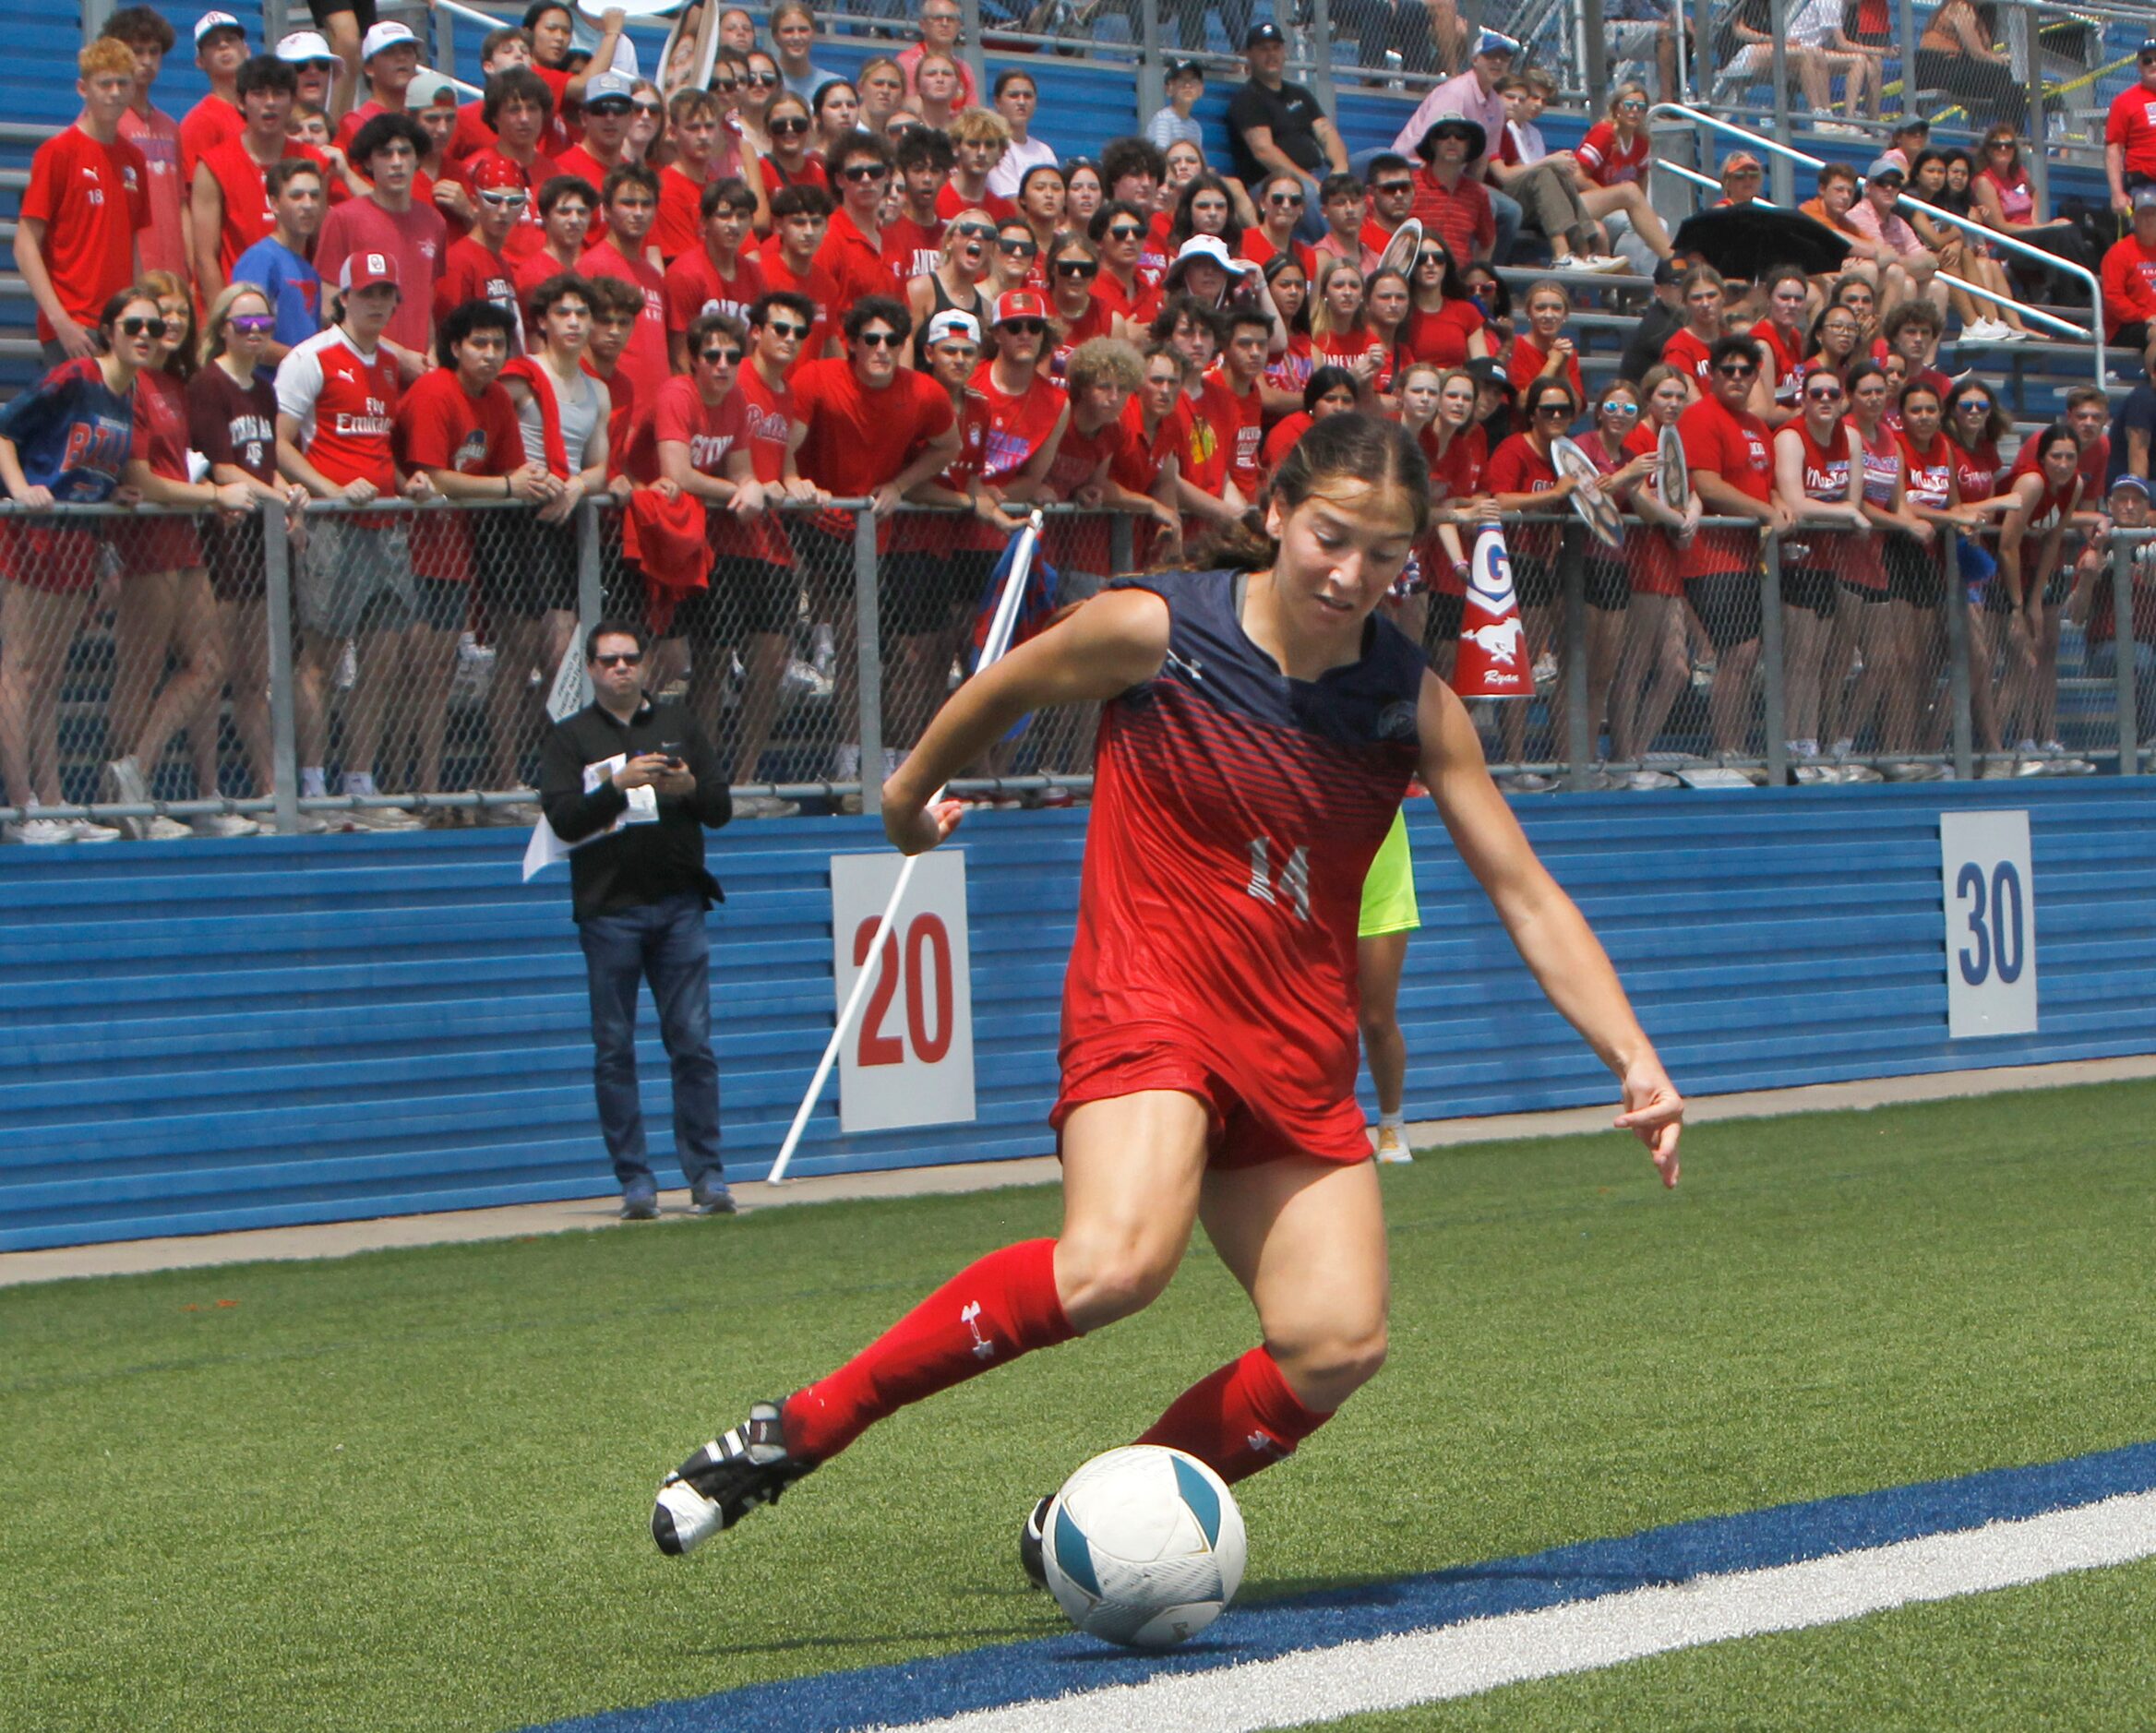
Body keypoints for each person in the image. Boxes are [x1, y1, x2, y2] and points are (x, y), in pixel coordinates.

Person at [647, 410, 1683, 1558]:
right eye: (1330, 538)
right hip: (1150, 1000)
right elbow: (1001, 690)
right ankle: (800, 1428)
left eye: (1385, 554)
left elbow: (1524, 891)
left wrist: (1632, 1057)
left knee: (1335, 1345)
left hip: (1293, 1044)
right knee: (1114, 1267)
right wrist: (904, 801)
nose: (1350, 576)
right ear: (1278, 515)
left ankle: (1086, 1520)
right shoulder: (1151, 631)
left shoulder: (1412, 707)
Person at [540, 617, 737, 1222]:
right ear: (593, 671)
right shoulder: (570, 738)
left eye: (630, 658)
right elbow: (563, 820)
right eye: (609, 660)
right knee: (613, 1049)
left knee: (693, 1044)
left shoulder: (677, 724)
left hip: (679, 903)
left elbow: (721, 808)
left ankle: (706, 1176)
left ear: (644, 665)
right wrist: (617, 786)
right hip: (609, 911)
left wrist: (687, 786)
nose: (622, 668)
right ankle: (636, 1182)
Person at [274, 250, 437, 831]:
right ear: (343, 297)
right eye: (365, 292)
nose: (376, 303)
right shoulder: (311, 357)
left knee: (381, 657)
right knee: (318, 657)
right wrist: (330, 490)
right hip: (332, 527)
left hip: (384, 525)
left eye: (385, 293)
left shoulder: (390, 364)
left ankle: (360, 782)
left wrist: (405, 481)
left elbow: (378, 447)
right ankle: (313, 782)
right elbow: (282, 444)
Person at [0, 293, 168, 843]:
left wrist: (110, 489)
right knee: (21, 670)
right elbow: (6, 429)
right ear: (108, 331)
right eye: (134, 325)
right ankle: (22, 805)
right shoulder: (76, 376)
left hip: (79, 542)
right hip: (36, 536)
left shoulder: (130, 394)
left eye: (155, 326)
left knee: (48, 677)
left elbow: (91, 466)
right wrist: (22, 487)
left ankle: (52, 799)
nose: (145, 333)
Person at [787, 295, 964, 792]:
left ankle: (886, 766)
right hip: (812, 522)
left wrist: (900, 485)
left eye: (893, 341)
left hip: (872, 536)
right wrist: (793, 483)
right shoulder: (818, 378)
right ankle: (850, 766)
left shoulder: (924, 392)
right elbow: (783, 446)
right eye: (872, 340)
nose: (882, 349)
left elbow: (948, 447)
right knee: (852, 647)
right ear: (851, 344)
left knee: (884, 653)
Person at [98, 276, 252, 842]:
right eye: (147, 321)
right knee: (138, 670)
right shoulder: (130, 385)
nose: (160, 329)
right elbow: (143, 479)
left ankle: (134, 769)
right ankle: (124, 797)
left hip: (181, 534)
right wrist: (215, 496)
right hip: (147, 537)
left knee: (209, 661)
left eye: (167, 320)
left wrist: (209, 498)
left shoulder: (172, 382)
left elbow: (175, 469)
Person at [191, 282, 313, 821]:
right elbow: (224, 468)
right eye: (245, 325)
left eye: (265, 325)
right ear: (223, 329)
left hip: (261, 542)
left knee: (252, 673)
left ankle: (268, 785)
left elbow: (266, 465)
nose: (256, 333)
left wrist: (292, 491)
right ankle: (207, 789)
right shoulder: (207, 385)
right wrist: (279, 499)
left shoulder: (264, 391)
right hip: (223, 540)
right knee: (213, 668)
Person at [494, 273, 617, 808]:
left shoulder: (598, 389)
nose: (573, 322)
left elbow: (600, 465)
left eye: (581, 314)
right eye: (562, 313)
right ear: (541, 321)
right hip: (516, 521)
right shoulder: (521, 376)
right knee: (519, 652)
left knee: (564, 649)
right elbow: (486, 425)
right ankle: (502, 778)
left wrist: (573, 483)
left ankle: (556, 770)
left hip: (565, 522)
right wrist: (520, 474)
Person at [1681, 334, 1788, 768]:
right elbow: (1706, 484)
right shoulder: (1701, 416)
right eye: (1729, 370)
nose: (1739, 378)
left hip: (1750, 558)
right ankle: (1726, 747)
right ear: (1713, 374)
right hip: (1712, 556)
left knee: (1747, 657)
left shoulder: (1758, 426)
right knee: (1736, 654)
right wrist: (1765, 510)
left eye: (1747, 371)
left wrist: (1777, 504)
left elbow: (1768, 481)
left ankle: (1737, 746)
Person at [17, 41, 150, 366]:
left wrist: (139, 311)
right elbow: (24, 243)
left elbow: (133, 245)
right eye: (105, 83)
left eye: (123, 83)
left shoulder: (134, 158)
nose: (115, 92)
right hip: (73, 326)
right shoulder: (58, 152)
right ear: (82, 88)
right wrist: (60, 321)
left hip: (118, 325)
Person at [315, 113, 447, 369]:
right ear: (368, 161)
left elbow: (424, 304)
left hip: (418, 371)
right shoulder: (343, 218)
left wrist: (430, 357)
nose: (396, 163)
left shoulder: (434, 222)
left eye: (404, 152)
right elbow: (329, 310)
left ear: (417, 158)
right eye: (385, 154)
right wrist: (396, 355)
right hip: (362, 368)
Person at [1994, 425, 2087, 776]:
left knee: (2044, 648)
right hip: (2000, 568)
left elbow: (2053, 540)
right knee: (2021, 657)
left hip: (2035, 569)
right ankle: (2004, 748)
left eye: (2070, 457)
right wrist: (2019, 606)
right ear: (2042, 457)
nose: (2063, 464)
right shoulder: (2031, 483)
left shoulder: (2074, 484)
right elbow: (2006, 545)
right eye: (2056, 457)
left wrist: (2036, 599)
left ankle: (2044, 741)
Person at [1387, 29, 1520, 263]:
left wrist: (1472, 192)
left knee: (1510, 211)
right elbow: (1435, 143)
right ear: (1475, 59)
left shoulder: (1497, 105)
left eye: (1504, 58)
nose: (1497, 62)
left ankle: (1485, 274)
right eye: (1491, 57)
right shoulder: (1456, 92)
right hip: (1415, 168)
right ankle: (1456, 265)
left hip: (1455, 175)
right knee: (1486, 204)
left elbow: (1482, 159)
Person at [1226, 21, 1347, 228]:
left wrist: (1340, 168)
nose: (1271, 55)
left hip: (1318, 173)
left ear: (1284, 51)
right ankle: (1335, 251)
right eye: (1263, 49)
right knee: (1303, 193)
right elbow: (1264, 152)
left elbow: (1326, 133)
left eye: (1276, 48)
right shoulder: (1248, 98)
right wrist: (1310, 182)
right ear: (1249, 54)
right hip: (1271, 184)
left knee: (1376, 159)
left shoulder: (1300, 94)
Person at [102, 8, 191, 285]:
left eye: (154, 52)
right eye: (137, 52)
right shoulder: (106, 122)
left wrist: (191, 266)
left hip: (172, 271)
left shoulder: (170, 127)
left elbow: (181, 204)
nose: (147, 61)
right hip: (129, 268)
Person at [577, 164, 670, 410]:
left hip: (653, 413)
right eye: (628, 203)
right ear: (606, 210)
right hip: (609, 407)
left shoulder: (654, 276)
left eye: (646, 204)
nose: (638, 213)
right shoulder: (591, 267)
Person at [230, 159, 327, 376]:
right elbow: (244, 334)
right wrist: (305, 361)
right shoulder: (261, 259)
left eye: (314, 195)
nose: (308, 204)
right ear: (274, 204)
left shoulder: (309, 272)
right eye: (296, 196)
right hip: (263, 392)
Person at [816, 129, 896, 323]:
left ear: (887, 176)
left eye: (875, 172)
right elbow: (821, 317)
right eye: (855, 174)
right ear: (839, 180)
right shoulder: (828, 237)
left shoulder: (893, 241)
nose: (866, 180)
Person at [1408, 118, 1497, 273]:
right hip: (1414, 275)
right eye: (1444, 135)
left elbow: (1488, 241)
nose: (1452, 140)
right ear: (1433, 143)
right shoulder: (1409, 185)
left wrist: (1473, 274)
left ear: (1468, 147)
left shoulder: (1478, 194)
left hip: (1457, 282)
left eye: (1461, 136)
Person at [179, 10, 248, 183]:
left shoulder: (263, 110)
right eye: (212, 43)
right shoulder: (200, 121)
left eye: (231, 39)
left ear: (246, 50)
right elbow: (193, 190)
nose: (223, 45)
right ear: (200, 61)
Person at [334, 19, 421, 152]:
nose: (401, 58)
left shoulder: (427, 118)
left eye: (407, 51)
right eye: (389, 52)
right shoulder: (354, 124)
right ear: (369, 68)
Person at [896, 0, 977, 112]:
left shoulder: (965, 69)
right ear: (923, 25)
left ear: (959, 26)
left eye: (951, 19)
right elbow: (906, 105)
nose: (945, 24)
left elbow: (973, 114)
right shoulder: (907, 63)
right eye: (938, 18)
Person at [2106, 39, 2156, 216]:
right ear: (2139, 66)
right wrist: (2117, 194)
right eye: (2147, 60)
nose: (2153, 64)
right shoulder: (2124, 102)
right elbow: (2114, 149)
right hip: (2145, 186)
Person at [988, 70, 1056, 200]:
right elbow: (1011, 202)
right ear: (997, 102)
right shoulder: (994, 148)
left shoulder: (1045, 151)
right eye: (1014, 95)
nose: (1021, 102)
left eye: (1028, 96)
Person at [2102, 188, 2156, 352]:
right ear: (2134, 218)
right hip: (2125, 327)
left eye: (2153, 214)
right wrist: (2144, 316)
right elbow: (2113, 298)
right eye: (2143, 215)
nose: (2149, 220)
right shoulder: (2119, 253)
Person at [769, 0, 840, 105]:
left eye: (803, 30)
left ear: (813, 33)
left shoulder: (833, 85)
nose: (796, 37)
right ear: (775, 37)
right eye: (788, 31)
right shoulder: (764, 81)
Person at [1148, 59, 1205, 155]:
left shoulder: (1195, 127)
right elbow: (1161, 158)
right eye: (1181, 80)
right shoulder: (1163, 119)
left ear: (1201, 89)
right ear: (1169, 89)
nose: (1188, 85)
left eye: (1193, 80)